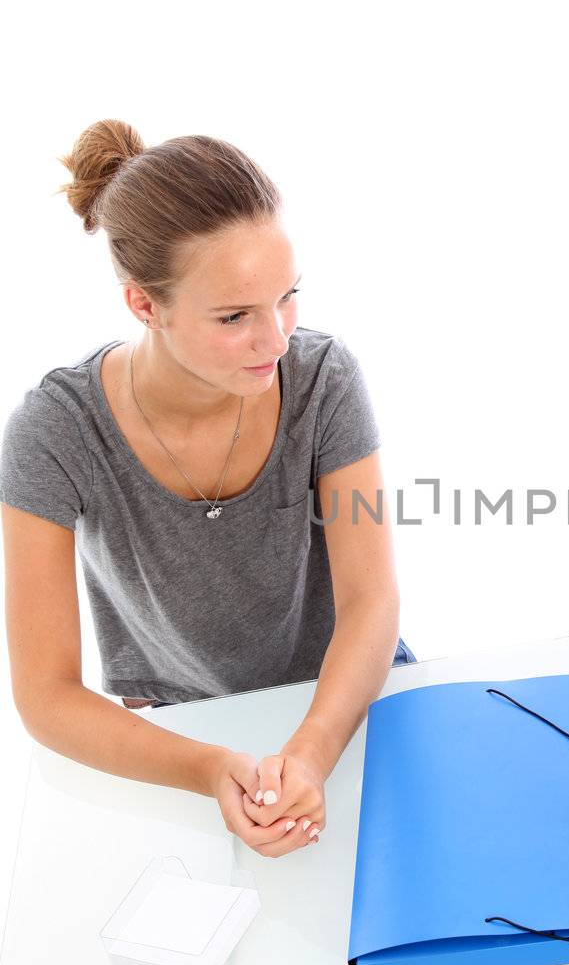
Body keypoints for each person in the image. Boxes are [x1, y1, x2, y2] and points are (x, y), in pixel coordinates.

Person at [1, 120, 412, 857]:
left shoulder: (323, 380)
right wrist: (211, 768)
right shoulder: (55, 433)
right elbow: (47, 697)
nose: (277, 339)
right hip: (183, 731)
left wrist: (311, 751)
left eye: (287, 297)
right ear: (143, 305)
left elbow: (371, 600)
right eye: (234, 317)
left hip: (346, 695)